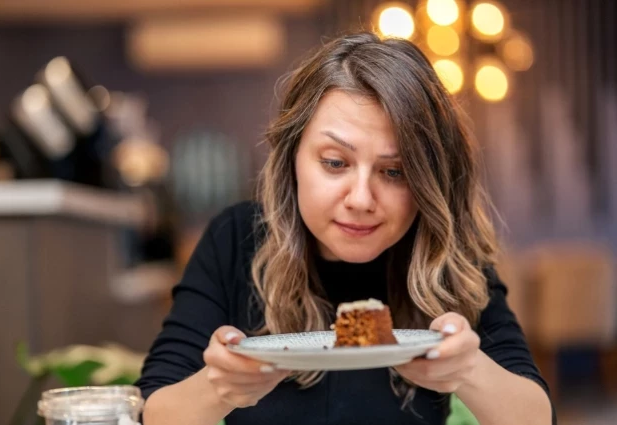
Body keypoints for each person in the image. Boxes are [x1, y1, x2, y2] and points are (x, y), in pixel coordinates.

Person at [136, 32, 555, 425]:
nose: (361, 198)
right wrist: (218, 388)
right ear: (292, 158)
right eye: (335, 163)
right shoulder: (235, 238)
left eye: (395, 171)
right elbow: (153, 411)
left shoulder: (442, 251)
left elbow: (537, 416)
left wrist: (468, 370)